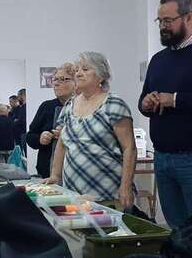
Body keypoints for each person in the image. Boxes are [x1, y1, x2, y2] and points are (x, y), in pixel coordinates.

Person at [139, 0, 192, 228]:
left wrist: (174, 100)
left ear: (189, 18)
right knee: (176, 229)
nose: (162, 27)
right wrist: (146, 103)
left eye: (168, 21)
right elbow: (144, 100)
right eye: (159, 21)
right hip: (162, 158)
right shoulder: (158, 60)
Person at [46, 52, 136, 208]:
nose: (79, 73)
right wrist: (55, 175)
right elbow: (62, 143)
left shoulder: (114, 104)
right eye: (77, 70)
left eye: (86, 69)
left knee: (110, 231)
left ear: (101, 76)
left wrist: (126, 186)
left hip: (108, 193)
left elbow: (130, 148)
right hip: (73, 192)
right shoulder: (70, 105)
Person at [26, 63, 77, 178]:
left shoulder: (83, 107)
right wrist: (40, 138)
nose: (57, 84)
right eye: (55, 80)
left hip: (76, 172)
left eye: (63, 79)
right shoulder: (46, 107)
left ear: (76, 82)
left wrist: (67, 135)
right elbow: (29, 137)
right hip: (47, 171)